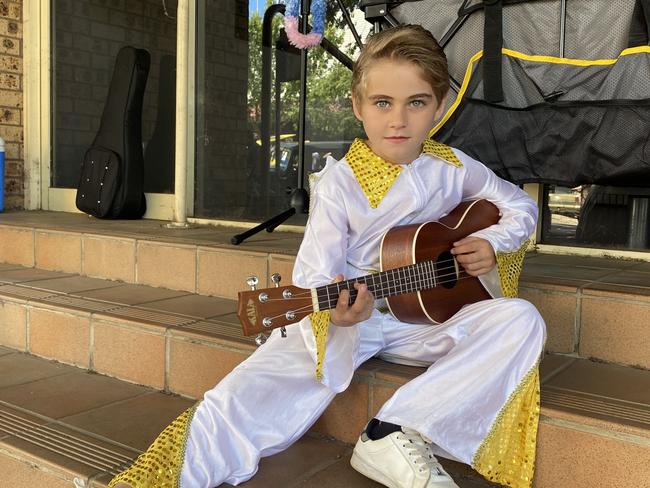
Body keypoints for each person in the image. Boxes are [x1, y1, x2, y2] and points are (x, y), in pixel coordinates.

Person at [111, 24, 545, 488]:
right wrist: (338, 318)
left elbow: (520, 205)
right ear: (358, 107)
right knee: (245, 395)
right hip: (348, 318)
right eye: (383, 103)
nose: (398, 120)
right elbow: (316, 273)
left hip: (426, 317)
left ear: (439, 107)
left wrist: (492, 243)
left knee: (520, 320)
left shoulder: (454, 167)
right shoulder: (340, 183)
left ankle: (394, 430)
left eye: (416, 102)